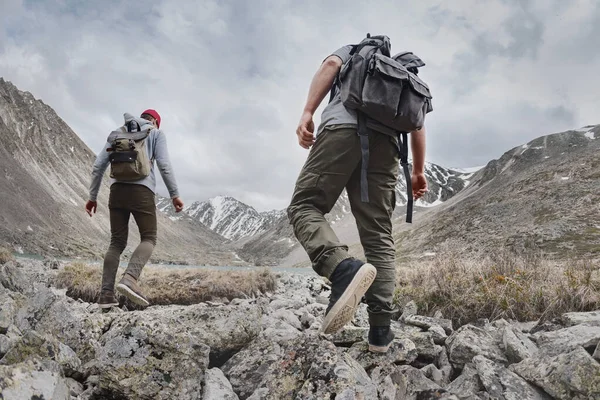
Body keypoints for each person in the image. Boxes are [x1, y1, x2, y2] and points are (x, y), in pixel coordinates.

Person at [287, 43, 428, 353]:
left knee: (305, 205)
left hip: (342, 130)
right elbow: (418, 123)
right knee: (378, 235)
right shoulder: (405, 78)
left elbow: (328, 68)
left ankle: (341, 268)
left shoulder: (355, 50)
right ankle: (380, 333)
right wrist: (418, 171)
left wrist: (308, 113)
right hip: (387, 149)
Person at [85, 109, 184, 308]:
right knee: (149, 237)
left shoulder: (117, 133)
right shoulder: (155, 133)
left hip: (117, 190)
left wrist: (92, 198)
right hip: (142, 191)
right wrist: (174, 195)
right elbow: (164, 165)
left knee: (116, 243)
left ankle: (105, 295)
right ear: (155, 122)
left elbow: (98, 167)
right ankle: (130, 278)